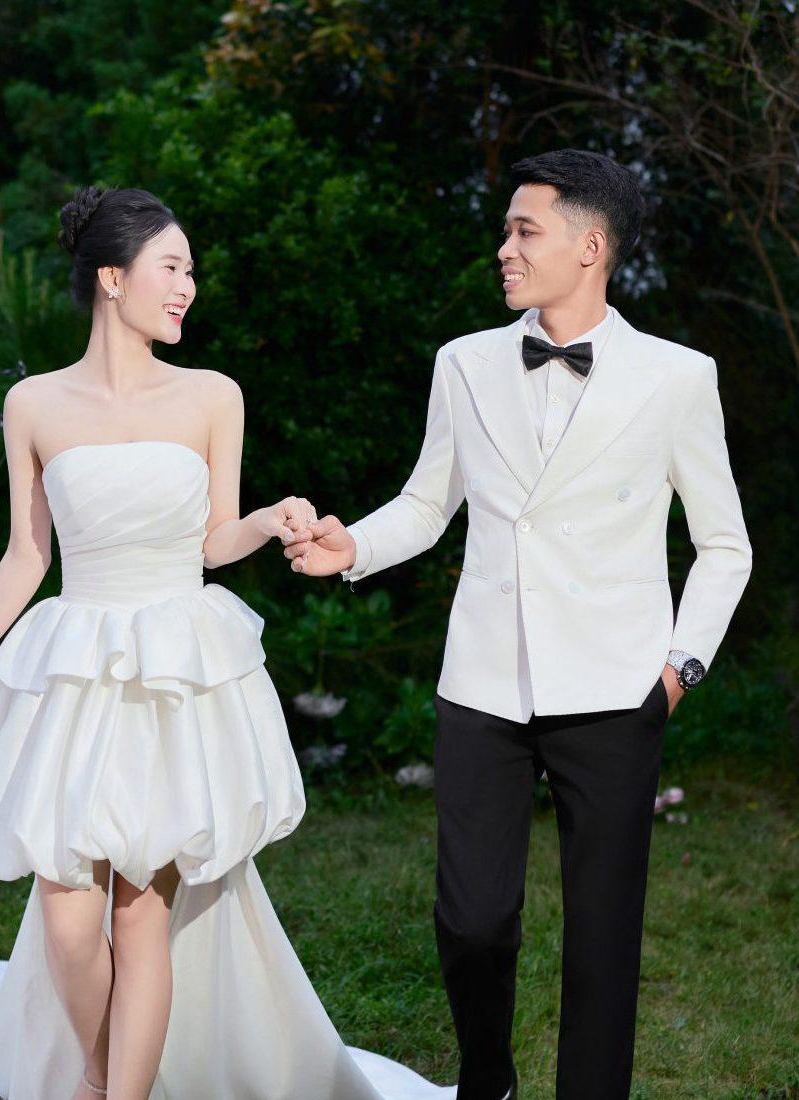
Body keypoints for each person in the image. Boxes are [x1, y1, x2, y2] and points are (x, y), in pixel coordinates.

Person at [0, 187, 455, 1100]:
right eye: (172, 267)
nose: (188, 288)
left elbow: (212, 541)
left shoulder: (212, 395)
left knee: (141, 916)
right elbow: (26, 554)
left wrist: (267, 520)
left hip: (173, 673)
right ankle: (98, 1076)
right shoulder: (33, 404)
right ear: (112, 278)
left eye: (191, 271)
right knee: (68, 920)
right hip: (78, 670)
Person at [284, 149, 752, 1100]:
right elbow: (427, 504)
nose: (503, 248)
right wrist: (353, 547)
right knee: (472, 921)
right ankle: (486, 1078)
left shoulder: (677, 377)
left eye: (523, 230)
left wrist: (678, 671)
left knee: (603, 937)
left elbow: (725, 546)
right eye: (505, 230)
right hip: (484, 685)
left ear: (591, 246)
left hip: (617, 690)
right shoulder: (464, 362)